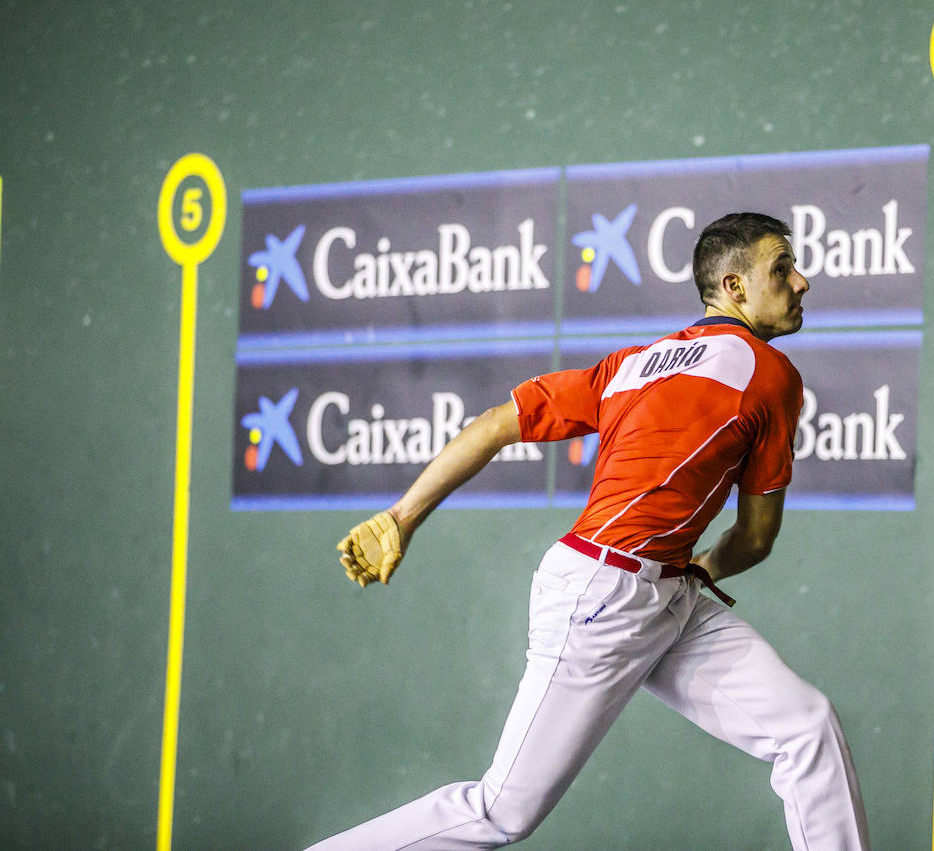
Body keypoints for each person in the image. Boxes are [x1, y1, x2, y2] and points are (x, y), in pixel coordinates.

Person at [312, 212, 870, 850]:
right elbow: (755, 538)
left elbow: (498, 421)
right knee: (500, 811)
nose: (802, 280)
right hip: (605, 598)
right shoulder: (768, 375)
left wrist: (400, 517)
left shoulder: (634, 363)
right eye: (782, 268)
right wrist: (706, 569)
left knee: (805, 727)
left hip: (660, 595)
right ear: (734, 287)